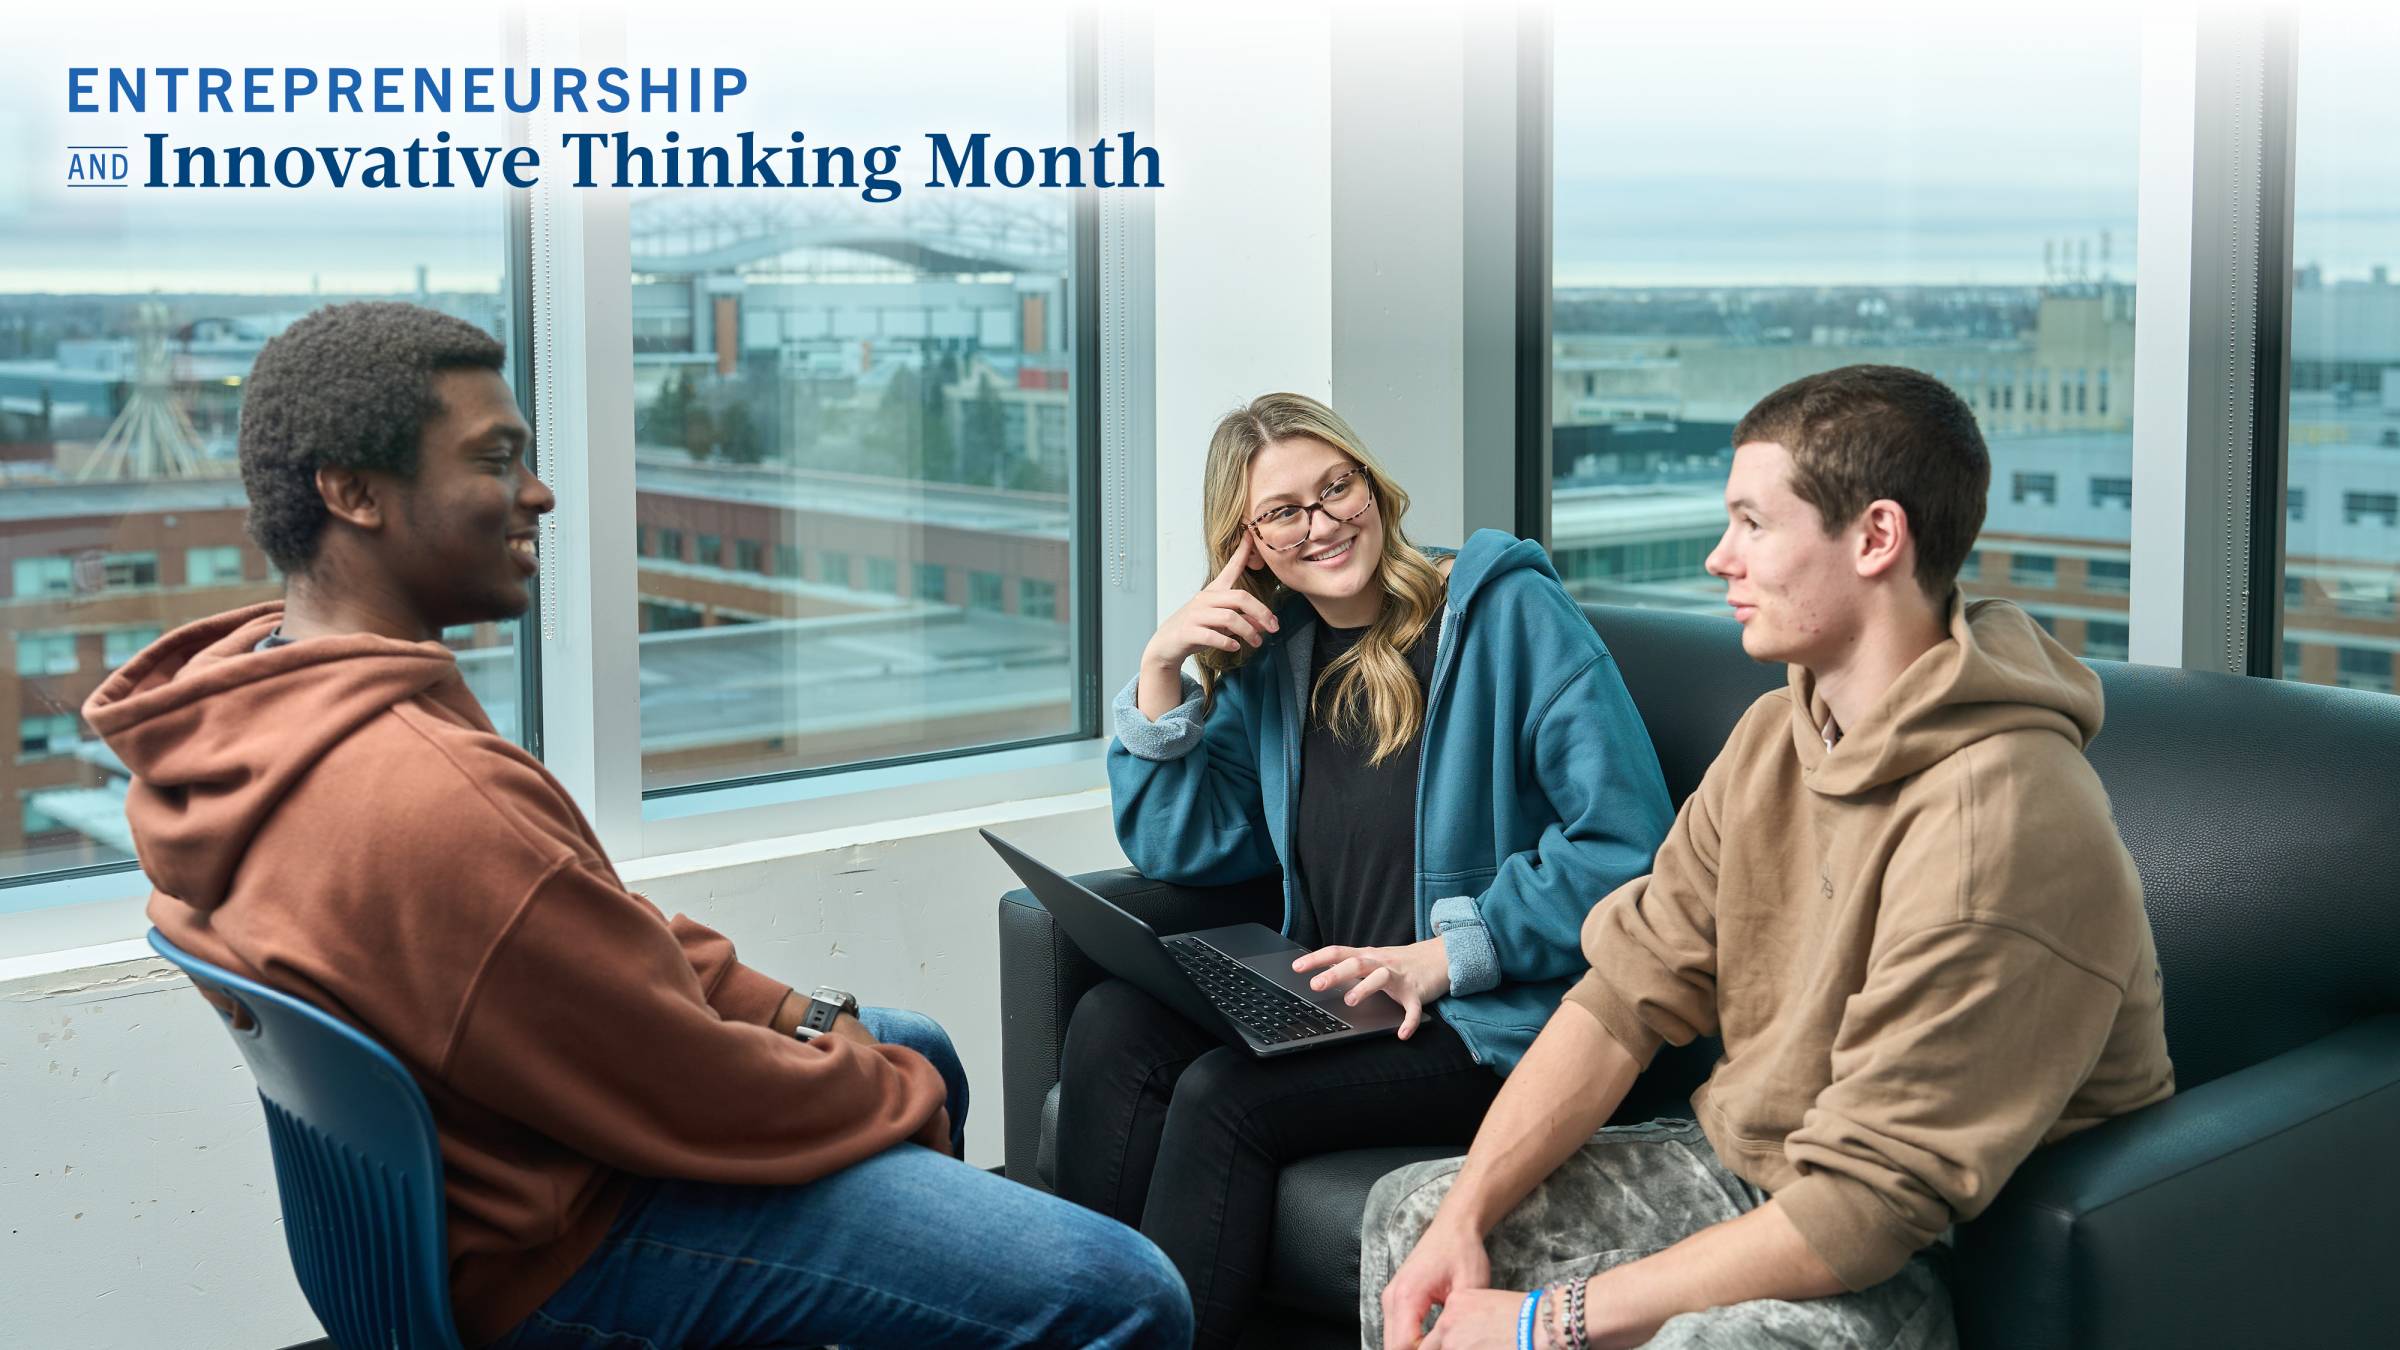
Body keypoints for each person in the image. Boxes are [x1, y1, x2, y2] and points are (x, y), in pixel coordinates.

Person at [85, 302, 1191, 1350]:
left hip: (467, 1202)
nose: (541, 494)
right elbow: (684, 1082)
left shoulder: (262, 709)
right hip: (563, 1252)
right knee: (1119, 1289)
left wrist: (805, 1012)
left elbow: (592, 923)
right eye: (493, 460)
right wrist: (870, 1084)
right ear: (353, 492)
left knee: (914, 1041)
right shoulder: (426, 798)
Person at [1362, 364, 2176, 1350]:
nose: (1719, 557)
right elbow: (1624, 994)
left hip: (1941, 1248)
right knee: (1418, 1217)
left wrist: (1543, 1323)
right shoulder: (1772, 737)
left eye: (1753, 523)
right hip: (1751, 1170)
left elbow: (1864, 1211)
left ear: (1875, 538)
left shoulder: (2000, 820)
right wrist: (1464, 1221)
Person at [1069, 392, 1675, 1345]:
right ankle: (1070, 1318)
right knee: (1113, 1022)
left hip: (1490, 1016)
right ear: (1248, 546)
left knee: (1226, 1099)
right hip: (1351, 999)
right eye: (1284, 512)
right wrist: (1161, 672)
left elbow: (1630, 845)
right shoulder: (1279, 655)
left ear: (1371, 486)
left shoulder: (1507, 610)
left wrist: (1445, 955)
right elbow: (1185, 846)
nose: (1323, 523)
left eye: (1336, 487)